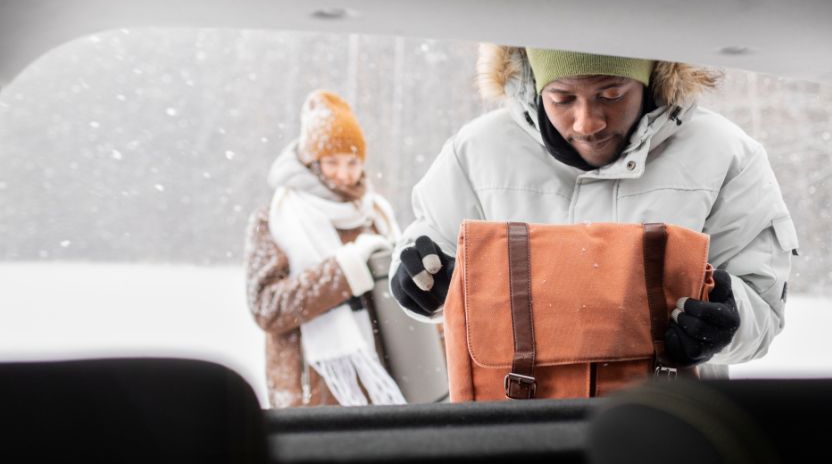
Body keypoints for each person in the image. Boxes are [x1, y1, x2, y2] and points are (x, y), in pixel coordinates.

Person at [390, 45, 797, 377]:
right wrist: (421, 285)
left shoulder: (724, 154)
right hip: (518, 421)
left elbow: (759, 305)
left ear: (651, 77)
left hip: (667, 424)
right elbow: (430, 251)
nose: (587, 123)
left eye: (611, 94)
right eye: (562, 98)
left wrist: (728, 323)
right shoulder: (476, 153)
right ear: (535, 86)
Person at [245, 89, 406, 407]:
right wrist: (344, 272)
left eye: (352, 162)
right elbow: (266, 307)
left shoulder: (376, 213)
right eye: (331, 162)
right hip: (310, 394)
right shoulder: (275, 217)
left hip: (382, 387)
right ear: (310, 162)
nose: (344, 174)